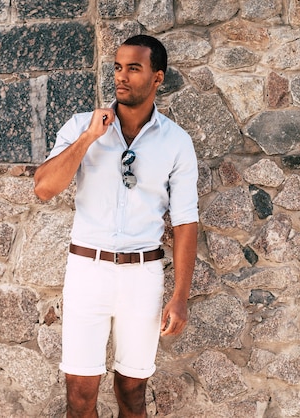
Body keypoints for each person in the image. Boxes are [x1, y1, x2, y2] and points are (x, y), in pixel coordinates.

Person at [34, 34, 198, 418]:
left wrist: (180, 297)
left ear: (158, 78)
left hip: (142, 276)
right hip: (87, 272)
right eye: (118, 67)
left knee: (132, 392)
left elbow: (186, 220)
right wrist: (91, 137)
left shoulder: (176, 142)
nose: (121, 77)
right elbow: (43, 188)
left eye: (134, 68)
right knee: (79, 394)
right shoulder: (81, 126)